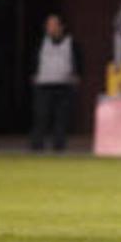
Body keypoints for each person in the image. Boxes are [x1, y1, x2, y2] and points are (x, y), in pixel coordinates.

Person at [31, 14, 82, 152]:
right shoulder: (41, 42)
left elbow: (78, 61)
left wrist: (77, 76)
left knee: (61, 119)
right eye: (48, 25)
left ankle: (59, 147)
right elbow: (34, 60)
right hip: (44, 85)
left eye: (53, 25)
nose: (50, 28)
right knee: (41, 116)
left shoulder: (70, 43)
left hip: (64, 85)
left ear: (61, 27)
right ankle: (37, 146)